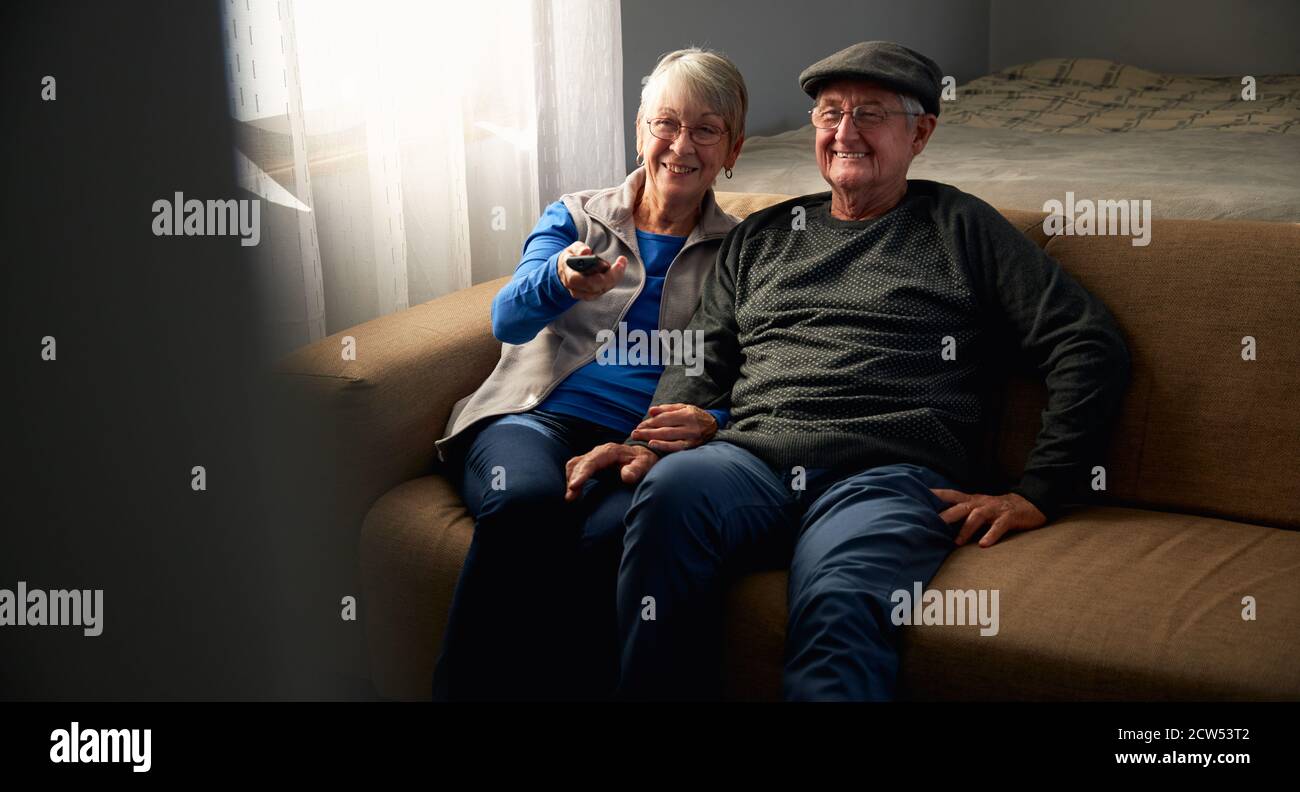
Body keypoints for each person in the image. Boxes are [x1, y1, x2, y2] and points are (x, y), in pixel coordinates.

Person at [565, 41, 1132, 700]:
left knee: (839, 607)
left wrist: (1039, 490)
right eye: (830, 113)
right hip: (751, 462)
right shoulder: (763, 236)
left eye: (870, 113)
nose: (844, 132)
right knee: (666, 496)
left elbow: (1089, 343)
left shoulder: (961, 228)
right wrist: (646, 443)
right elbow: (703, 357)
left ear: (920, 133)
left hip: (886, 476)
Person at [430, 47, 748, 700]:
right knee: (524, 502)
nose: (680, 144)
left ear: (732, 149)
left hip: (639, 449)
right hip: (533, 420)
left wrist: (710, 421)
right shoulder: (576, 216)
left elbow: (762, 376)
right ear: (640, 133)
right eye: (666, 122)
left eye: (705, 128)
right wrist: (558, 280)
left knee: (613, 537)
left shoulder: (745, 253)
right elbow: (508, 321)